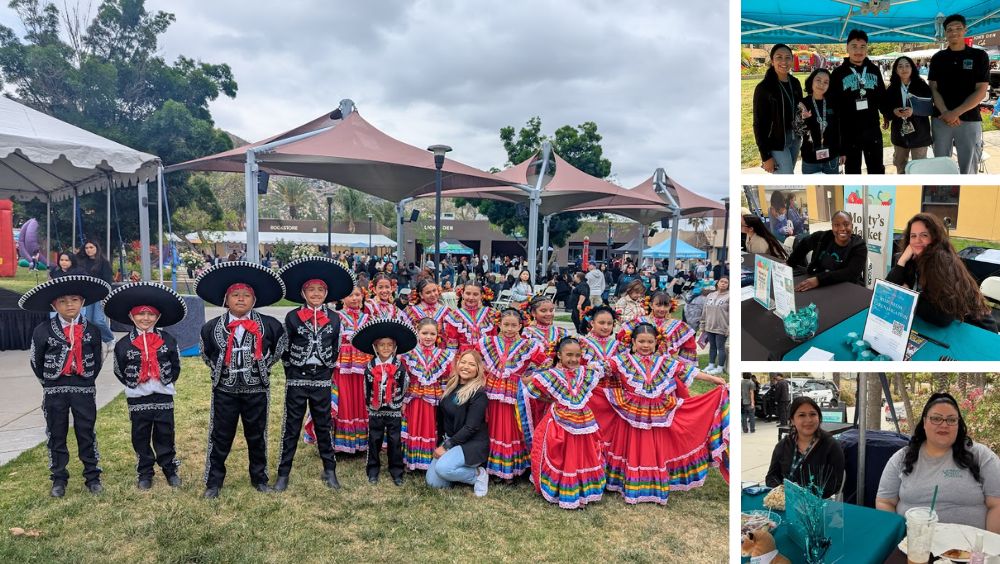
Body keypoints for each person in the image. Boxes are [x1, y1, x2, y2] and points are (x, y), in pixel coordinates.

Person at [590, 322, 728, 505]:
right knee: (631, 447)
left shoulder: (664, 362)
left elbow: (687, 370)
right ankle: (628, 483)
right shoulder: (622, 360)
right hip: (630, 412)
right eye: (641, 341)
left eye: (650, 342)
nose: (645, 346)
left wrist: (715, 380)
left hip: (657, 411)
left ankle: (652, 485)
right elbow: (598, 368)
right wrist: (576, 373)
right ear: (633, 342)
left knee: (653, 448)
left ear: (656, 343)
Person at [196, 261, 287, 498]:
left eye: (246, 295)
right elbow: (206, 353)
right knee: (220, 435)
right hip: (224, 390)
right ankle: (214, 482)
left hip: (256, 390)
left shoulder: (270, 325)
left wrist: (262, 367)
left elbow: (279, 349)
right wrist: (221, 370)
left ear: (254, 300)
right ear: (226, 299)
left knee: (257, 435)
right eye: (235, 295)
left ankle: (259, 478)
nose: (240, 299)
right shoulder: (211, 327)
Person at [20, 274, 111, 496]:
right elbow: (36, 361)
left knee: (86, 431)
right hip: (55, 391)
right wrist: (50, 382)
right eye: (62, 301)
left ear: (82, 302)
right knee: (56, 432)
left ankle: (92, 476)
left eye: (74, 299)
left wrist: (86, 379)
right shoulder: (42, 330)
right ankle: (59, 478)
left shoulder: (92, 330)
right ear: (54, 305)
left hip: (84, 389)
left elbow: (97, 360)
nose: (69, 304)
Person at [274, 257, 354, 492]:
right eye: (311, 289)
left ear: (327, 293)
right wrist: (292, 372)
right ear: (303, 292)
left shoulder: (335, 318)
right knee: (291, 425)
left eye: (320, 290)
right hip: (297, 379)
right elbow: (284, 349)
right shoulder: (292, 317)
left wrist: (327, 369)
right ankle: (283, 473)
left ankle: (329, 470)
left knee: (324, 424)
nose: (316, 293)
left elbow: (337, 347)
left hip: (322, 378)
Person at [877, 393, 1000, 531]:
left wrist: (989, 547)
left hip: (968, 549)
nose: (944, 425)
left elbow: (997, 504)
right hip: (915, 545)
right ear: (924, 422)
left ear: (958, 424)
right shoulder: (901, 458)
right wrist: (899, 538)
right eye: (936, 418)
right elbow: (885, 502)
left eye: (951, 420)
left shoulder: (981, 456)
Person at [105, 282, 186, 490]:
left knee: (165, 433)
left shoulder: (168, 340)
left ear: (158, 317)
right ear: (132, 316)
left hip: (163, 395)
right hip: (138, 396)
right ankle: (145, 472)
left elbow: (176, 365)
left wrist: (165, 381)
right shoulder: (124, 344)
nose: (146, 318)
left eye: (151, 314)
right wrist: (134, 383)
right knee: (140, 434)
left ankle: (169, 468)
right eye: (140, 314)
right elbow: (119, 369)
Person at [522, 337, 605, 509]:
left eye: (577, 355)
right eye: (569, 355)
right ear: (559, 355)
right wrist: (551, 399)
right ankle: (560, 489)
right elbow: (531, 389)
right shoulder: (552, 374)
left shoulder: (586, 373)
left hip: (583, 421)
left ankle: (580, 490)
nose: (574, 359)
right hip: (559, 420)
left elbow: (602, 369)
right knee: (560, 453)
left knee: (582, 454)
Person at [887, 213, 997, 332]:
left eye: (924, 235)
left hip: (976, 329)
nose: (917, 240)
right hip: (952, 325)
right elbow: (888, 289)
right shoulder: (914, 259)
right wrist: (902, 260)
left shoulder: (942, 262)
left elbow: (942, 317)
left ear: (934, 237)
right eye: (913, 236)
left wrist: (907, 295)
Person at [477, 308, 546, 480]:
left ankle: (510, 467)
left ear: (520, 326)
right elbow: (475, 357)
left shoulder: (529, 345)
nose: (509, 329)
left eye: (513, 325)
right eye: (505, 325)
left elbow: (544, 363)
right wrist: (483, 370)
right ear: (499, 324)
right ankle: (493, 466)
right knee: (493, 424)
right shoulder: (488, 342)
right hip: (492, 390)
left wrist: (529, 377)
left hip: (515, 392)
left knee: (512, 426)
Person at [352, 317, 416, 486]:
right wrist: (369, 404)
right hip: (376, 409)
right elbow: (366, 387)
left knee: (395, 440)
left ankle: (396, 471)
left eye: (389, 345)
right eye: (382, 345)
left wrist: (400, 402)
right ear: (375, 347)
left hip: (393, 409)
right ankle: (373, 469)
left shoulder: (399, 366)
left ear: (395, 347)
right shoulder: (370, 366)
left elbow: (405, 384)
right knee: (374, 438)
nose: (386, 348)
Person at [312, 285, 370, 452]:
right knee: (344, 399)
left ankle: (362, 441)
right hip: (341, 365)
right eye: (350, 295)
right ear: (342, 298)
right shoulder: (335, 317)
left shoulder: (369, 317)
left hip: (363, 365)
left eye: (358, 294)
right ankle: (339, 443)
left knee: (361, 398)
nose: (354, 298)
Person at [930, 14, 990, 174]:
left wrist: (955, 113)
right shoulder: (938, 58)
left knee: (969, 165)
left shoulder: (979, 56)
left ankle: (967, 196)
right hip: (941, 119)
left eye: (958, 28)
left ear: (965, 30)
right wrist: (945, 113)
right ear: (945, 33)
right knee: (940, 165)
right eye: (949, 29)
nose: (953, 32)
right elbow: (933, 88)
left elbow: (982, 90)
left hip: (969, 119)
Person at [426, 349, 490, 496]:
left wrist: (447, 446)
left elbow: (471, 427)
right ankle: (455, 471)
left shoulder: (478, 393)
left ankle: (478, 475)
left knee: (443, 469)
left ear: (478, 369)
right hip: (451, 439)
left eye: (471, 364)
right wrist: (441, 443)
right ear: (458, 364)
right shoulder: (451, 387)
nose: (466, 367)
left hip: (471, 443)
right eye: (463, 362)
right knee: (434, 483)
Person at [399, 318, 455, 471]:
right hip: (413, 397)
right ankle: (411, 460)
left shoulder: (444, 355)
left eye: (432, 333)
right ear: (417, 332)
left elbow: (445, 380)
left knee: (430, 427)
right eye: (424, 333)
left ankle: (426, 461)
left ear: (438, 335)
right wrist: (403, 400)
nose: (428, 337)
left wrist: (444, 400)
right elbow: (404, 379)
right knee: (413, 426)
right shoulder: (409, 354)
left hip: (432, 399)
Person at [829, 29, 887, 173]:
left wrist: (886, 114)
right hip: (849, 131)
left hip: (872, 128)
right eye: (854, 46)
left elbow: (881, 96)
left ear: (867, 48)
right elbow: (833, 104)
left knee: (877, 169)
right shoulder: (838, 73)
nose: (858, 51)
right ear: (847, 48)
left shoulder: (874, 70)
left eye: (862, 46)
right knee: (852, 171)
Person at [766, 397, 845, 498]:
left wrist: (803, 496)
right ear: (792, 420)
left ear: (819, 417)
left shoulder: (831, 446)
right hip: (785, 502)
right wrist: (781, 493)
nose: (808, 420)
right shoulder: (783, 445)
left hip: (817, 506)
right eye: (802, 415)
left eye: (813, 414)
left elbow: (834, 485)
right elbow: (771, 476)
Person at [753, 43, 803, 174]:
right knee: (786, 175)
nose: (784, 61)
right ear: (772, 60)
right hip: (777, 142)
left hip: (795, 138)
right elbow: (759, 124)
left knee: (788, 174)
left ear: (792, 60)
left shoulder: (795, 83)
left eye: (788, 57)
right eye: (779, 57)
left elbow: (799, 109)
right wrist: (766, 157)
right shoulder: (764, 88)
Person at [786, 210, 867, 291]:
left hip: (846, 288)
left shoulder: (859, 247)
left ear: (852, 226)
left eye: (846, 224)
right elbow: (804, 244)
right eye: (837, 225)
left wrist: (818, 280)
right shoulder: (822, 237)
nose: (842, 228)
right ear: (832, 227)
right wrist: (789, 263)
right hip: (820, 286)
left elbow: (850, 273)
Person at [883, 55, 933, 173]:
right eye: (900, 66)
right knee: (900, 166)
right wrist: (893, 112)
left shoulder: (922, 85)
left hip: (920, 134)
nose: (904, 69)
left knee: (919, 167)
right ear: (895, 70)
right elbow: (885, 109)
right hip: (899, 135)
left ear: (912, 68)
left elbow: (930, 107)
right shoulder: (892, 89)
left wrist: (914, 110)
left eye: (907, 66)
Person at [618, 291, 697, 362]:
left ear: (670, 306)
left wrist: (682, 366)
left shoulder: (679, 326)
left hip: (666, 366)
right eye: (658, 305)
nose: (662, 309)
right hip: (640, 364)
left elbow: (689, 348)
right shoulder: (638, 322)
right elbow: (622, 340)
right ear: (651, 305)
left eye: (666, 305)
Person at [799, 68, 844, 174]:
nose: (821, 84)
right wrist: (801, 119)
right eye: (818, 80)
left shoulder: (833, 103)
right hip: (810, 160)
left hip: (831, 159)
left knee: (833, 189)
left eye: (826, 82)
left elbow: (839, 129)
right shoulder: (803, 103)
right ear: (811, 81)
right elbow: (797, 131)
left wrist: (842, 152)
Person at [76, 240, 115, 346]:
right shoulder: (82, 262)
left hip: (100, 295)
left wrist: (106, 296)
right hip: (86, 295)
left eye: (91, 247)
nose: (89, 250)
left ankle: (109, 338)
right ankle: (93, 340)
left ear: (96, 248)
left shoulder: (104, 263)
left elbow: (108, 281)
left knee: (98, 320)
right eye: (87, 248)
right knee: (88, 320)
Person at [444, 281, 497, 353]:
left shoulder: (491, 314)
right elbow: (452, 346)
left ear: (481, 295)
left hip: (486, 358)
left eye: (475, 294)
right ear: (462, 293)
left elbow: (495, 340)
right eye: (468, 293)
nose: (471, 297)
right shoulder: (454, 317)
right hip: (463, 359)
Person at [404, 277, 453, 348]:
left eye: (434, 290)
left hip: (440, 353)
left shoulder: (447, 312)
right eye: (428, 292)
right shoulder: (410, 312)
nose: (433, 294)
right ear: (421, 295)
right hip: (417, 353)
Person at [522, 295, 570, 367]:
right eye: (543, 311)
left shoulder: (561, 332)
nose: (549, 314)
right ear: (533, 313)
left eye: (551, 310)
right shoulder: (527, 333)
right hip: (533, 374)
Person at [700, 276, 729, 375]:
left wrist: (729, 328)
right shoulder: (710, 295)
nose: (723, 283)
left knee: (720, 347)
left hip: (721, 327)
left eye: (726, 282)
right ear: (717, 283)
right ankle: (711, 364)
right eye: (722, 281)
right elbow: (705, 310)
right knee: (712, 346)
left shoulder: (729, 296)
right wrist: (702, 325)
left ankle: (720, 367)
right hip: (709, 325)